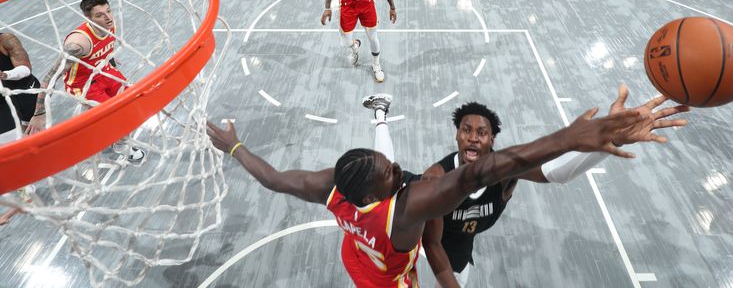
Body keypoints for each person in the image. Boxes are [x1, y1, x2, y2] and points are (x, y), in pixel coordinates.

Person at [206, 91, 689, 287]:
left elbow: (271, 177)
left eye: (483, 133)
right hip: (398, 273)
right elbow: (478, 180)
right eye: (393, 173)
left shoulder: (334, 187)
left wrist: (234, 146)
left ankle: (378, 111)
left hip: (359, 257)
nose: (401, 169)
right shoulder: (421, 196)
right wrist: (572, 135)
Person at [421, 86, 681, 287]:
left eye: (482, 133)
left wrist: (613, 138)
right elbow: (431, 244)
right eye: (466, 130)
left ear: (492, 140)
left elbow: (554, 172)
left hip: (459, 251)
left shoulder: (504, 172)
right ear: (457, 134)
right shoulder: (435, 179)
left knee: (458, 267)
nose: (474, 138)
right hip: (419, 247)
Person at [27, 0, 144, 161]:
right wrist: (40, 113)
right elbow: (51, 77)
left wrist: (108, 57)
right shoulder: (77, 43)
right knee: (115, 116)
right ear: (88, 18)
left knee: (133, 102)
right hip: (83, 84)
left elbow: (106, 44)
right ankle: (118, 144)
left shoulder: (110, 25)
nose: (108, 17)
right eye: (100, 15)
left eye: (108, 11)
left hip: (104, 71)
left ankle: (92, 117)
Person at [0, 32, 41, 225]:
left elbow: (25, 68)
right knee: (17, 150)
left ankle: (26, 193)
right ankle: (25, 194)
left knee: (32, 141)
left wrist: (4, 75)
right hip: (7, 99)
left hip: (26, 92)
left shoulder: (5, 39)